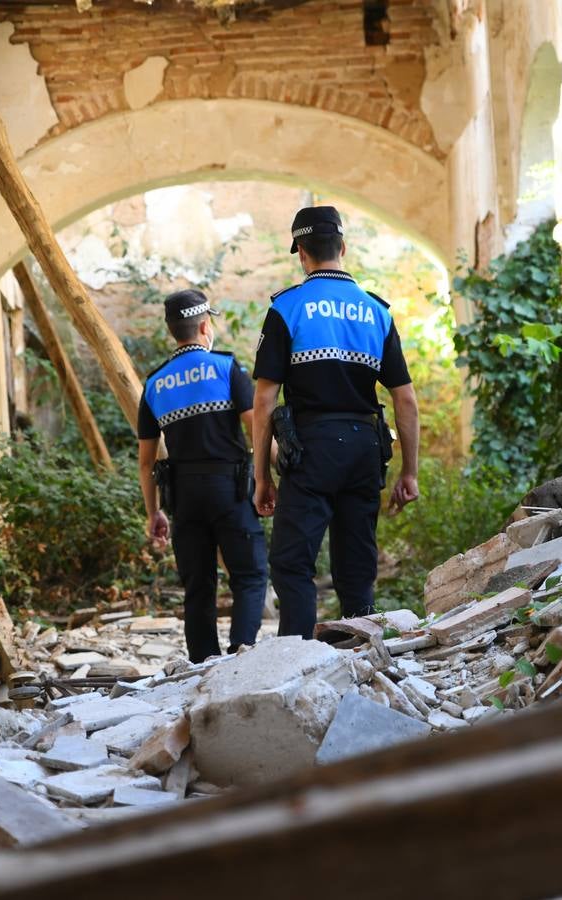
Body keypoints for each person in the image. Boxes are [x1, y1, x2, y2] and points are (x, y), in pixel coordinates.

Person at [250, 205, 420, 639]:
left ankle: (296, 658)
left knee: (292, 562)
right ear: (342, 248)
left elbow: (265, 398)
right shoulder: (377, 311)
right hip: (366, 447)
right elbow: (405, 398)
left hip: (310, 449)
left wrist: (262, 477)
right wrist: (410, 471)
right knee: (356, 562)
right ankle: (361, 654)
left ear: (302, 253)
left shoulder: (287, 308)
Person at [137, 289, 267, 662]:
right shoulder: (227, 369)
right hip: (229, 490)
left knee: (198, 586)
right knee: (250, 574)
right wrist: (269, 476)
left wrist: (154, 512)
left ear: (172, 330)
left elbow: (146, 461)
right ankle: (241, 653)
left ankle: (204, 664)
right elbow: (256, 427)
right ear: (205, 326)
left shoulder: (154, 384)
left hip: (185, 497)